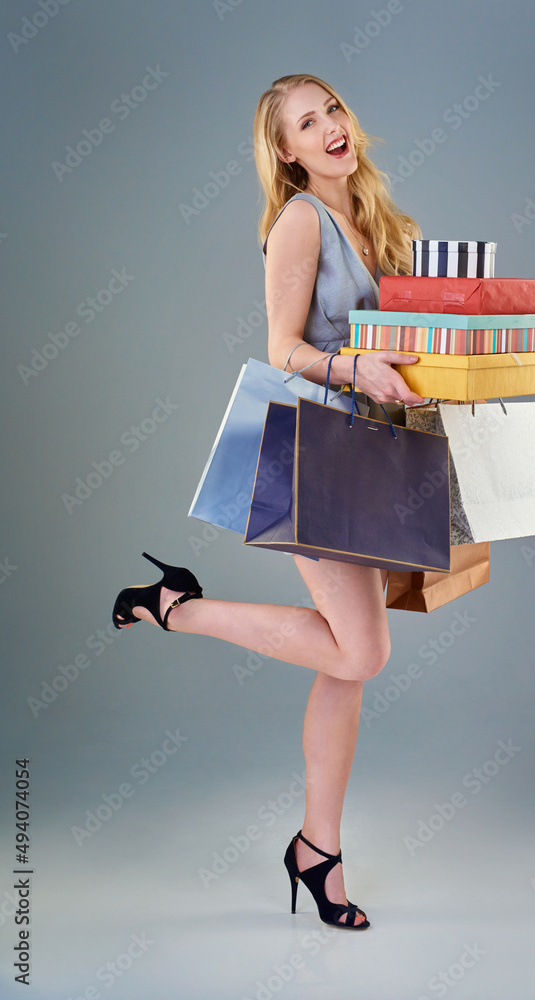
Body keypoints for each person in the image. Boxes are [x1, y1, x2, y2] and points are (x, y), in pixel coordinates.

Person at [112, 73, 424, 930]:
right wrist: (356, 367)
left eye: (333, 110)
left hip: (369, 460)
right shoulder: (299, 220)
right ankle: (176, 608)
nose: (330, 127)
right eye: (306, 122)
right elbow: (283, 347)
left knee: (345, 664)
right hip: (311, 452)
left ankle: (315, 851)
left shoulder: (378, 219)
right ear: (283, 151)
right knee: (361, 654)